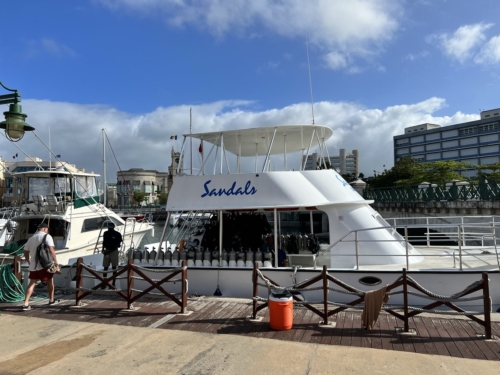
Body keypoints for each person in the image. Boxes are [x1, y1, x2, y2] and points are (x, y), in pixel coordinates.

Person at [23, 223, 59, 310]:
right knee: (50, 281)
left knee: (32, 283)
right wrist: (56, 262)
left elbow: (26, 252)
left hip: (33, 266)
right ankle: (51, 300)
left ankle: (26, 303)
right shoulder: (47, 236)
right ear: (44, 229)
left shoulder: (31, 238)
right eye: (47, 229)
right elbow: (51, 250)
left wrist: (28, 260)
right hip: (45, 265)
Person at [102, 222, 123, 287]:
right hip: (106, 251)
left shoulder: (117, 234)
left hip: (114, 251)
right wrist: (103, 249)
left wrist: (108, 252)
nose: (109, 227)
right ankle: (104, 283)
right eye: (108, 226)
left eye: (110, 226)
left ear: (113, 227)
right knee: (105, 267)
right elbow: (104, 242)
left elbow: (117, 245)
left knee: (114, 268)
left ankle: (113, 283)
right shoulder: (105, 233)